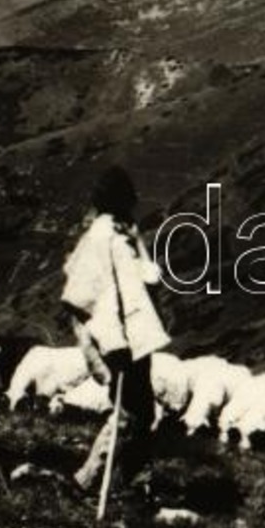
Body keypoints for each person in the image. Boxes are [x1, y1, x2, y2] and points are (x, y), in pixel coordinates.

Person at [62, 166, 170, 491]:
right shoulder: (107, 238)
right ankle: (89, 479)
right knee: (129, 412)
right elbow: (99, 296)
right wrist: (115, 344)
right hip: (119, 339)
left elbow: (145, 279)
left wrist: (136, 240)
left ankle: (134, 478)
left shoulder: (114, 234)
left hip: (130, 336)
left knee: (142, 410)